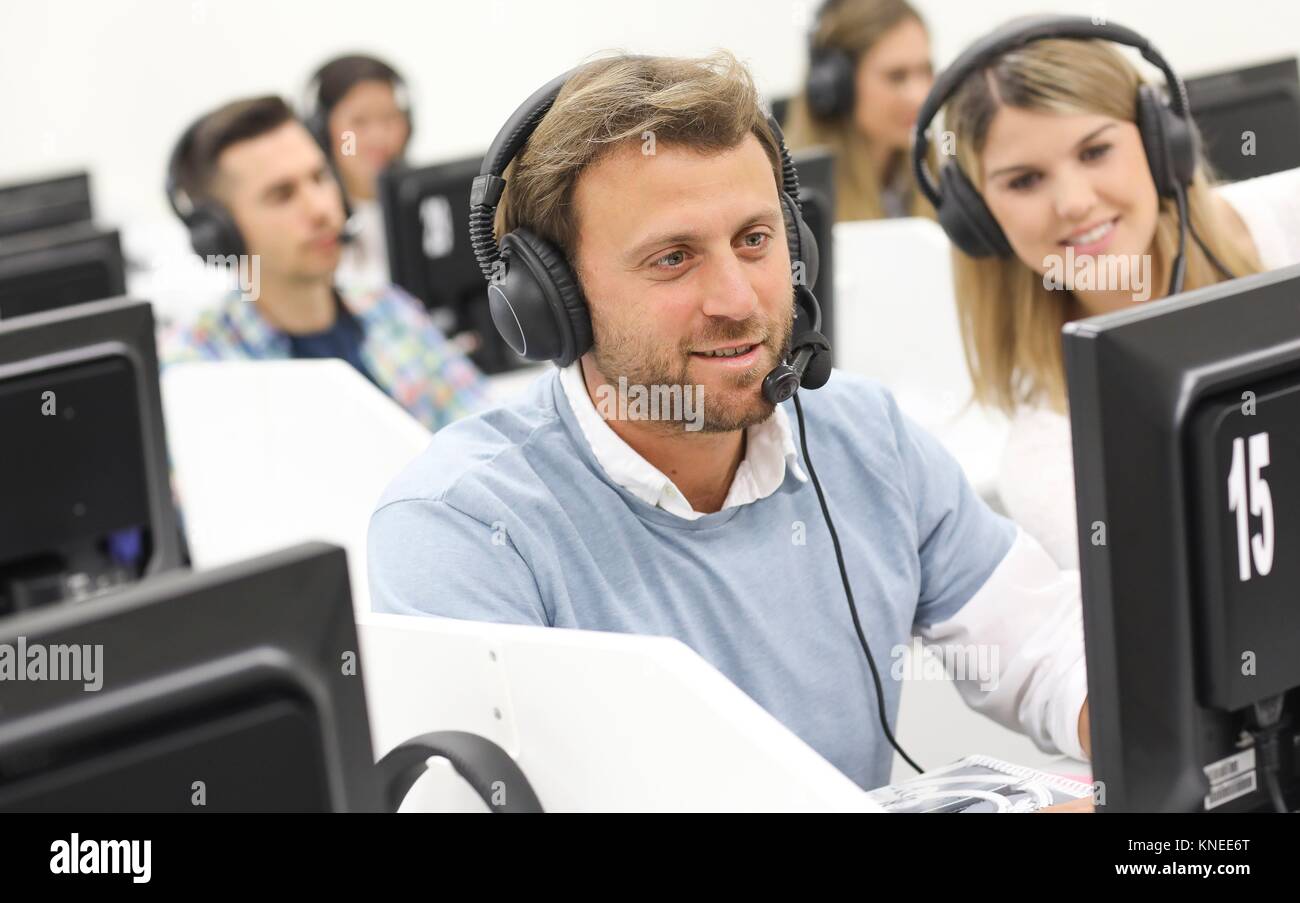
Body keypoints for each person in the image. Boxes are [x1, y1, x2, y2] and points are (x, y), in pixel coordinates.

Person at [368, 52, 1091, 793]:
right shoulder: (462, 529)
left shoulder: (865, 435)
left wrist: (1141, 742)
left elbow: (1043, 646)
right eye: (673, 258)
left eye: (754, 240)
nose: (739, 300)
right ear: (555, 303)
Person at [919, 16, 1300, 568]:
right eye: (1024, 181)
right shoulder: (1051, 458)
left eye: (1095, 151)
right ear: (977, 220)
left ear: (1160, 143)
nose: (1074, 202)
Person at [161, 95, 484, 433]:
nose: (320, 209)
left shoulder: (389, 309)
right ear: (219, 234)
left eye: (320, 177)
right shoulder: (196, 368)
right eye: (282, 195)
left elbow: (484, 431)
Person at [783, 0, 935, 220]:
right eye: (897, 76)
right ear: (837, 85)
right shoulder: (794, 198)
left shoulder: (934, 174)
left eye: (926, 71)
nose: (920, 96)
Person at [302, 54, 414, 293]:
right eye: (359, 122)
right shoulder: (311, 219)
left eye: (390, 118)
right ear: (322, 132)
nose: (378, 137)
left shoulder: (426, 209)